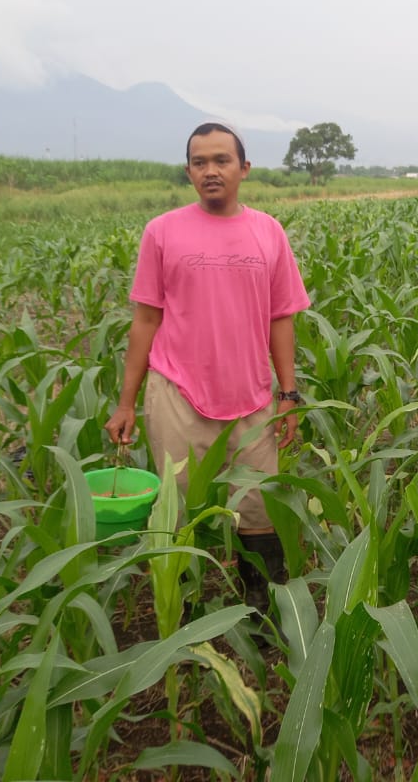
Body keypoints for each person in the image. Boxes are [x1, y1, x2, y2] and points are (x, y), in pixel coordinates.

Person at [105, 122, 310, 615]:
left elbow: (281, 318)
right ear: (188, 171)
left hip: (253, 396)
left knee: (259, 510)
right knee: (176, 512)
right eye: (200, 162)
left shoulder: (268, 232)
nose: (211, 171)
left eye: (221, 160)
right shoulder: (162, 231)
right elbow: (146, 319)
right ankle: (184, 612)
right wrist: (126, 402)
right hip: (177, 393)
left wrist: (289, 394)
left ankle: (259, 607)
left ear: (244, 169)